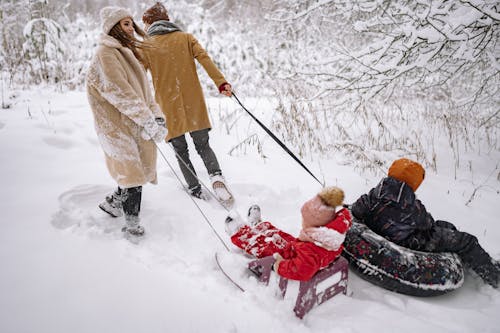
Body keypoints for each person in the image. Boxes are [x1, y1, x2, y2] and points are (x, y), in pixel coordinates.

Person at [351, 158, 499, 288]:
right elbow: (428, 223)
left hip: (387, 234)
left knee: (444, 226)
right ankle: (494, 276)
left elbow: (356, 210)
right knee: (466, 240)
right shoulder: (411, 206)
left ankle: (465, 261)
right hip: (412, 242)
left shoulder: (373, 195)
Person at [140, 2, 233, 205]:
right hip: (193, 104)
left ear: (149, 23)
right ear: (167, 19)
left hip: (168, 107)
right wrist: (221, 83)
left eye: (144, 24)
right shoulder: (186, 38)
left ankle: (195, 188)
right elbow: (205, 59)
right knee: (203, 144)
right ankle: (216, 176)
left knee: (181, 151)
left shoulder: (147, 46)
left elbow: (138, 75)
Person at [86, 6, 168, 238]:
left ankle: (113, 204)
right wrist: (146, 120)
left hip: (133, 121)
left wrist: (158, 118)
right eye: (125, 24)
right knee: (132, 172)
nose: (131, 28)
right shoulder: (106, 53)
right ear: (113, 27)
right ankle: (133, 226)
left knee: (136, 168)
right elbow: (120, 93)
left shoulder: (127, 52)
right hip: (115, 125)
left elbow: (144, 94)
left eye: (131, 23)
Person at [225, 187, 352, 281]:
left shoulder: (312, 250)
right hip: (297, 249)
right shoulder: (332, 239)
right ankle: (258, 226)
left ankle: (241, 233)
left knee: (263, 246)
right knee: (279, 235)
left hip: (289, 258)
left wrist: (278, 266)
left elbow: (302, 270)